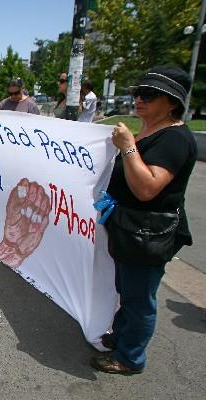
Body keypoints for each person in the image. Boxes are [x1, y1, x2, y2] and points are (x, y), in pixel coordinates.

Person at [91, 65, 197, 375]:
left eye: (149, 95)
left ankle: (130, 357)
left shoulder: (175, 139)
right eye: (138, 93)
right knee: (127, 291)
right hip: (132, 229)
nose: (139, 99)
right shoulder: (153, 130)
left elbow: (147, 187)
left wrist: (127, 147)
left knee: (139, 298)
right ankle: (122, 338)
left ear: (172, 102)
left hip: (148, 234)